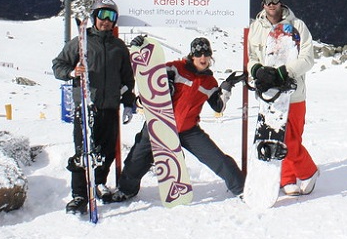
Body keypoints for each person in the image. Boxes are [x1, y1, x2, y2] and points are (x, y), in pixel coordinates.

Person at [103, 37, 245, 202]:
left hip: (188, 130)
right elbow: (149, 76)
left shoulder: (209, 82)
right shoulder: (175, 68)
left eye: (206, 54)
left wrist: (227, 86)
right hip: (159, 124)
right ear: (192, 55)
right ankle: (126, 190)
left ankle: (241, 188)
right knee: (137, 159)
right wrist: (142, 48)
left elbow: (218, 106)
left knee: (218, 159)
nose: (203, 58)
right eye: (198, 54)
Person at [52, 0, 137, 215]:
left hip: (110, 107)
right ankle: (80, 194)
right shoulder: (81, 42)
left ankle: (99, 182)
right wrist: (72, 72)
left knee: (106, 151)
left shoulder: (119, 47)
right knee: (83, 152)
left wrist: (128, 102)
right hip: (87, 106)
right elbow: (58, 65)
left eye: (111, 17)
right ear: (94, 17)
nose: (106, 21)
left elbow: (127, 78)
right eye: (102, 15)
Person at [247, 0, 319, 196]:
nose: (272, 4)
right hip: (269, 94)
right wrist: (257, 70)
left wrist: (284, 72)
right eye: (267, 0)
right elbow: (251, 57)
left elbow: (307, 58)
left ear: (281, 1)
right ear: (262, 3)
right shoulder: (256, 28)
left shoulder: (297, 26)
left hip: (293, 93)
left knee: (292, 138)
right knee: (276, 137)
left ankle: (307, 171)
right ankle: (288, 178)